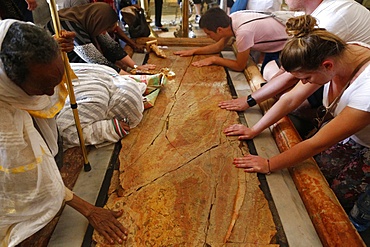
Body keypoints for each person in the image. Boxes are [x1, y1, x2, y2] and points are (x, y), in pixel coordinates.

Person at [0, 19, 128, 246]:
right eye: (42, 87)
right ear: (9, 83)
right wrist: (89, 210)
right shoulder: (6, 125)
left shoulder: (10, 46)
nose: (51, 93)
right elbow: (35, 180)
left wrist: (53, 44)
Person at [225, 14, 370, 210]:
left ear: (327, 66)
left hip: (366, 142)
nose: (303, 83)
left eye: (306, 78)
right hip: (352, 131)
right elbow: (291, 98)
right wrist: (254, 129)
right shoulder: (338, 54)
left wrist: (269, 164)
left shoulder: (366, 89)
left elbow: (317, 143)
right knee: (319, 170)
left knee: (343, 194)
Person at [219, 0, 370, 137]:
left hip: (351, 91)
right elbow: (289, 71)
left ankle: (311, 118)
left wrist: (251, 99)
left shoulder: (333, 20)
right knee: (272, 77)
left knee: (284, 93)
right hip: (332, 75)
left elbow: (292, 84)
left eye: (305, 79)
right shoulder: (313, 16)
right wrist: (258, 97)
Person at [56, 63, 148, 149]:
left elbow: (132, 90)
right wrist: (109, 128)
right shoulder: (97, 104)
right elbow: (65, 132)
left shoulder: (110, 72)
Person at [46, 2, 155, 75]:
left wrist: (136, 66)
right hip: (68, 70)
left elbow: (112, 46)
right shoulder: (68, 25)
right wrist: (130, 77)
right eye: (105, 29)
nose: (104, 33)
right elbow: (95, 60)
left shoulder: (93, 21)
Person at [173, 7, 288, 73]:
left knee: (269, 74)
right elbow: (219, 46)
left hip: (288, 44)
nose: (208, 37)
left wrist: (215, 60)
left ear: (219, 30)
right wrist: (193, 51)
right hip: (279, 39)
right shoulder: (233, 17)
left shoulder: (242, 33)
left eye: (208, 34)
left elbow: (239, 66)